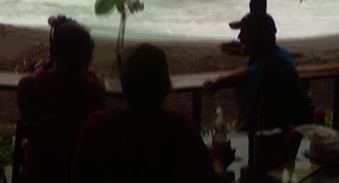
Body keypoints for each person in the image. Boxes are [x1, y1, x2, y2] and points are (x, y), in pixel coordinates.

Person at [71, 43, 226, 183]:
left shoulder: (96, 126)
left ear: (125, 83)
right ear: (164, 86)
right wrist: (219, 162)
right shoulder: (178, 127)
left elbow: (79, 176)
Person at [202, 12, 311, 171]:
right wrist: (221, 80)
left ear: (260, 36)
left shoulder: (274, 66)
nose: (239, 37)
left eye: (244, 32)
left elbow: (262, 119)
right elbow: (251, 71)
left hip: (273, 146)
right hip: (272, 143)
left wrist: (233, 136)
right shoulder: (274, 56)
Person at [15, 17, 105, 183]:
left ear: (53, 51)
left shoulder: (31, 86)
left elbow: (28, 115)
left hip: (37, 172)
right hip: (76, 174)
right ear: (87, 57)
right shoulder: (94, 91)